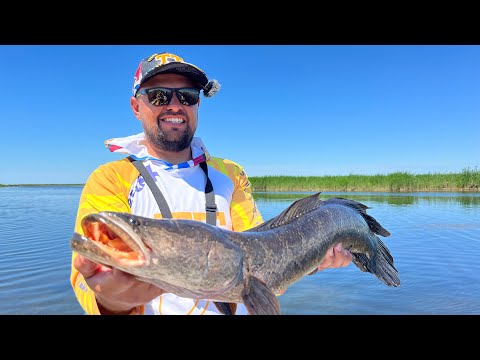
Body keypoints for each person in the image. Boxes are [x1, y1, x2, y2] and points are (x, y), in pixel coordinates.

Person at [70, 51, 352, 315]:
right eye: (158, 96)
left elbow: (265, 261)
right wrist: (111, 300)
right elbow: (84, 282)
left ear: (197, 104)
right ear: (136, 106)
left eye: (187, 96)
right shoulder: (110, 178)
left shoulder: (230, 173)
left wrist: (312, 260)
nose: (175, 105)